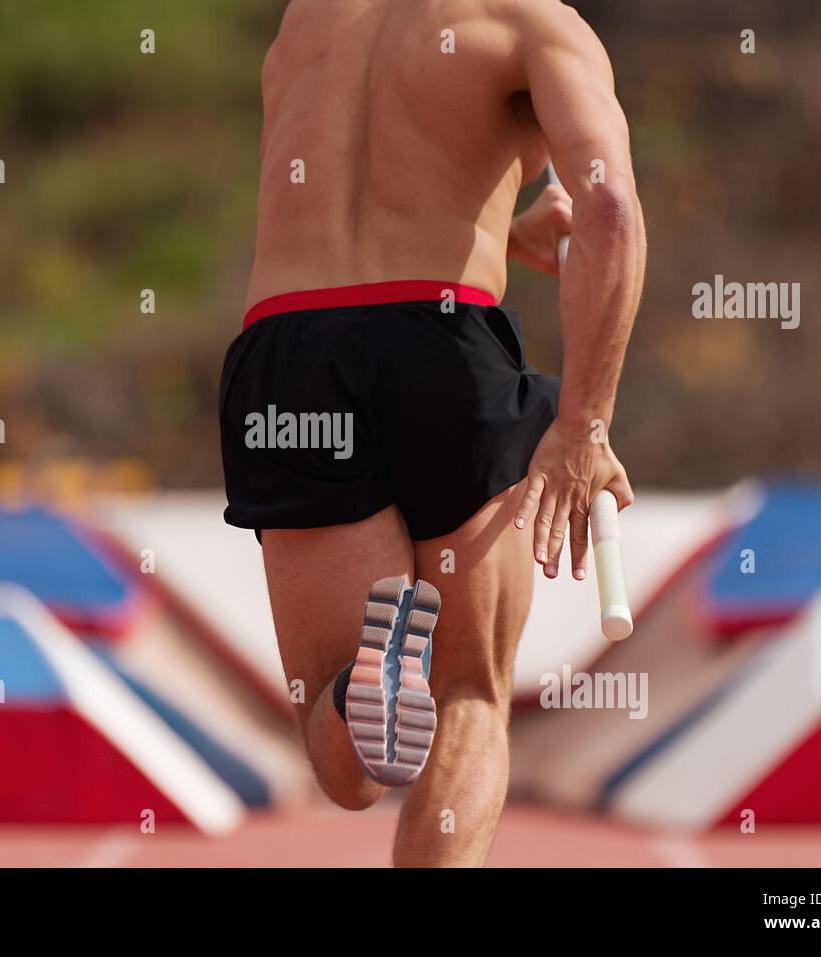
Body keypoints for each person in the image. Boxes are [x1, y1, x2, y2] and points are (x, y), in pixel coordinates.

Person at [218, 0, 646, 866]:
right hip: (444, 348)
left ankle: (362, 688)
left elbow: (373, 193)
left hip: (290, 348)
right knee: (469, 696)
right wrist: (583, 425)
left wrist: (497, 234)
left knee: (345, 767)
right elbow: (608, 207)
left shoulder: (308, 18)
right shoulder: (535, 23)